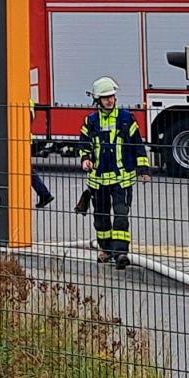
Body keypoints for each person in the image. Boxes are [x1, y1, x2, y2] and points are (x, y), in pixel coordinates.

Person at [79, 76, 150, 269]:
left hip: (122, 180)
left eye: (111, 96)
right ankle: (105, 249)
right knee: (101, 218)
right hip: (98, 181)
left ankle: (120, 253)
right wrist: (85, 159)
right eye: (105, 98)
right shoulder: (91, 121)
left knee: (121, 215)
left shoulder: (127, 119)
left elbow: (137, 144)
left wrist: (143, 168)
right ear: (97, 100)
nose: (109, 100)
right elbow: (84, 144)